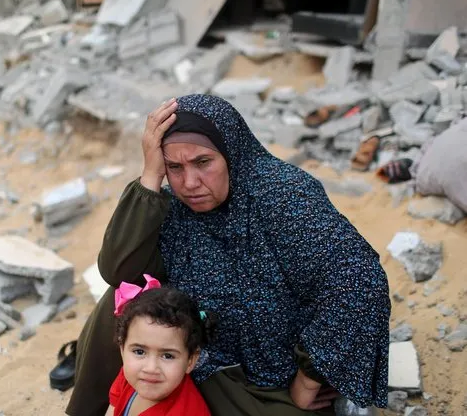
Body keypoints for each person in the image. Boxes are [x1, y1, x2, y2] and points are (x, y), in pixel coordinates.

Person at [66, 94, 390, 416]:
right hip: (190, 360)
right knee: (122, 297)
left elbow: (360, 281)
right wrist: (150, 176)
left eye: (203, 163)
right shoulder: (174, 206)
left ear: (231, 153)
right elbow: (118, 270)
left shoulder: (283, 196)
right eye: (174, 167)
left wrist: (308, 379)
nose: (190, 183)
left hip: (267, 384)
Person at [109, 275, 213, 416]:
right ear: (122, 349)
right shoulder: (127, 377)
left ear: (191, 360)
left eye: (167, 356)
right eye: (139, 352)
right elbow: (113, 408)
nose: (151, 368)